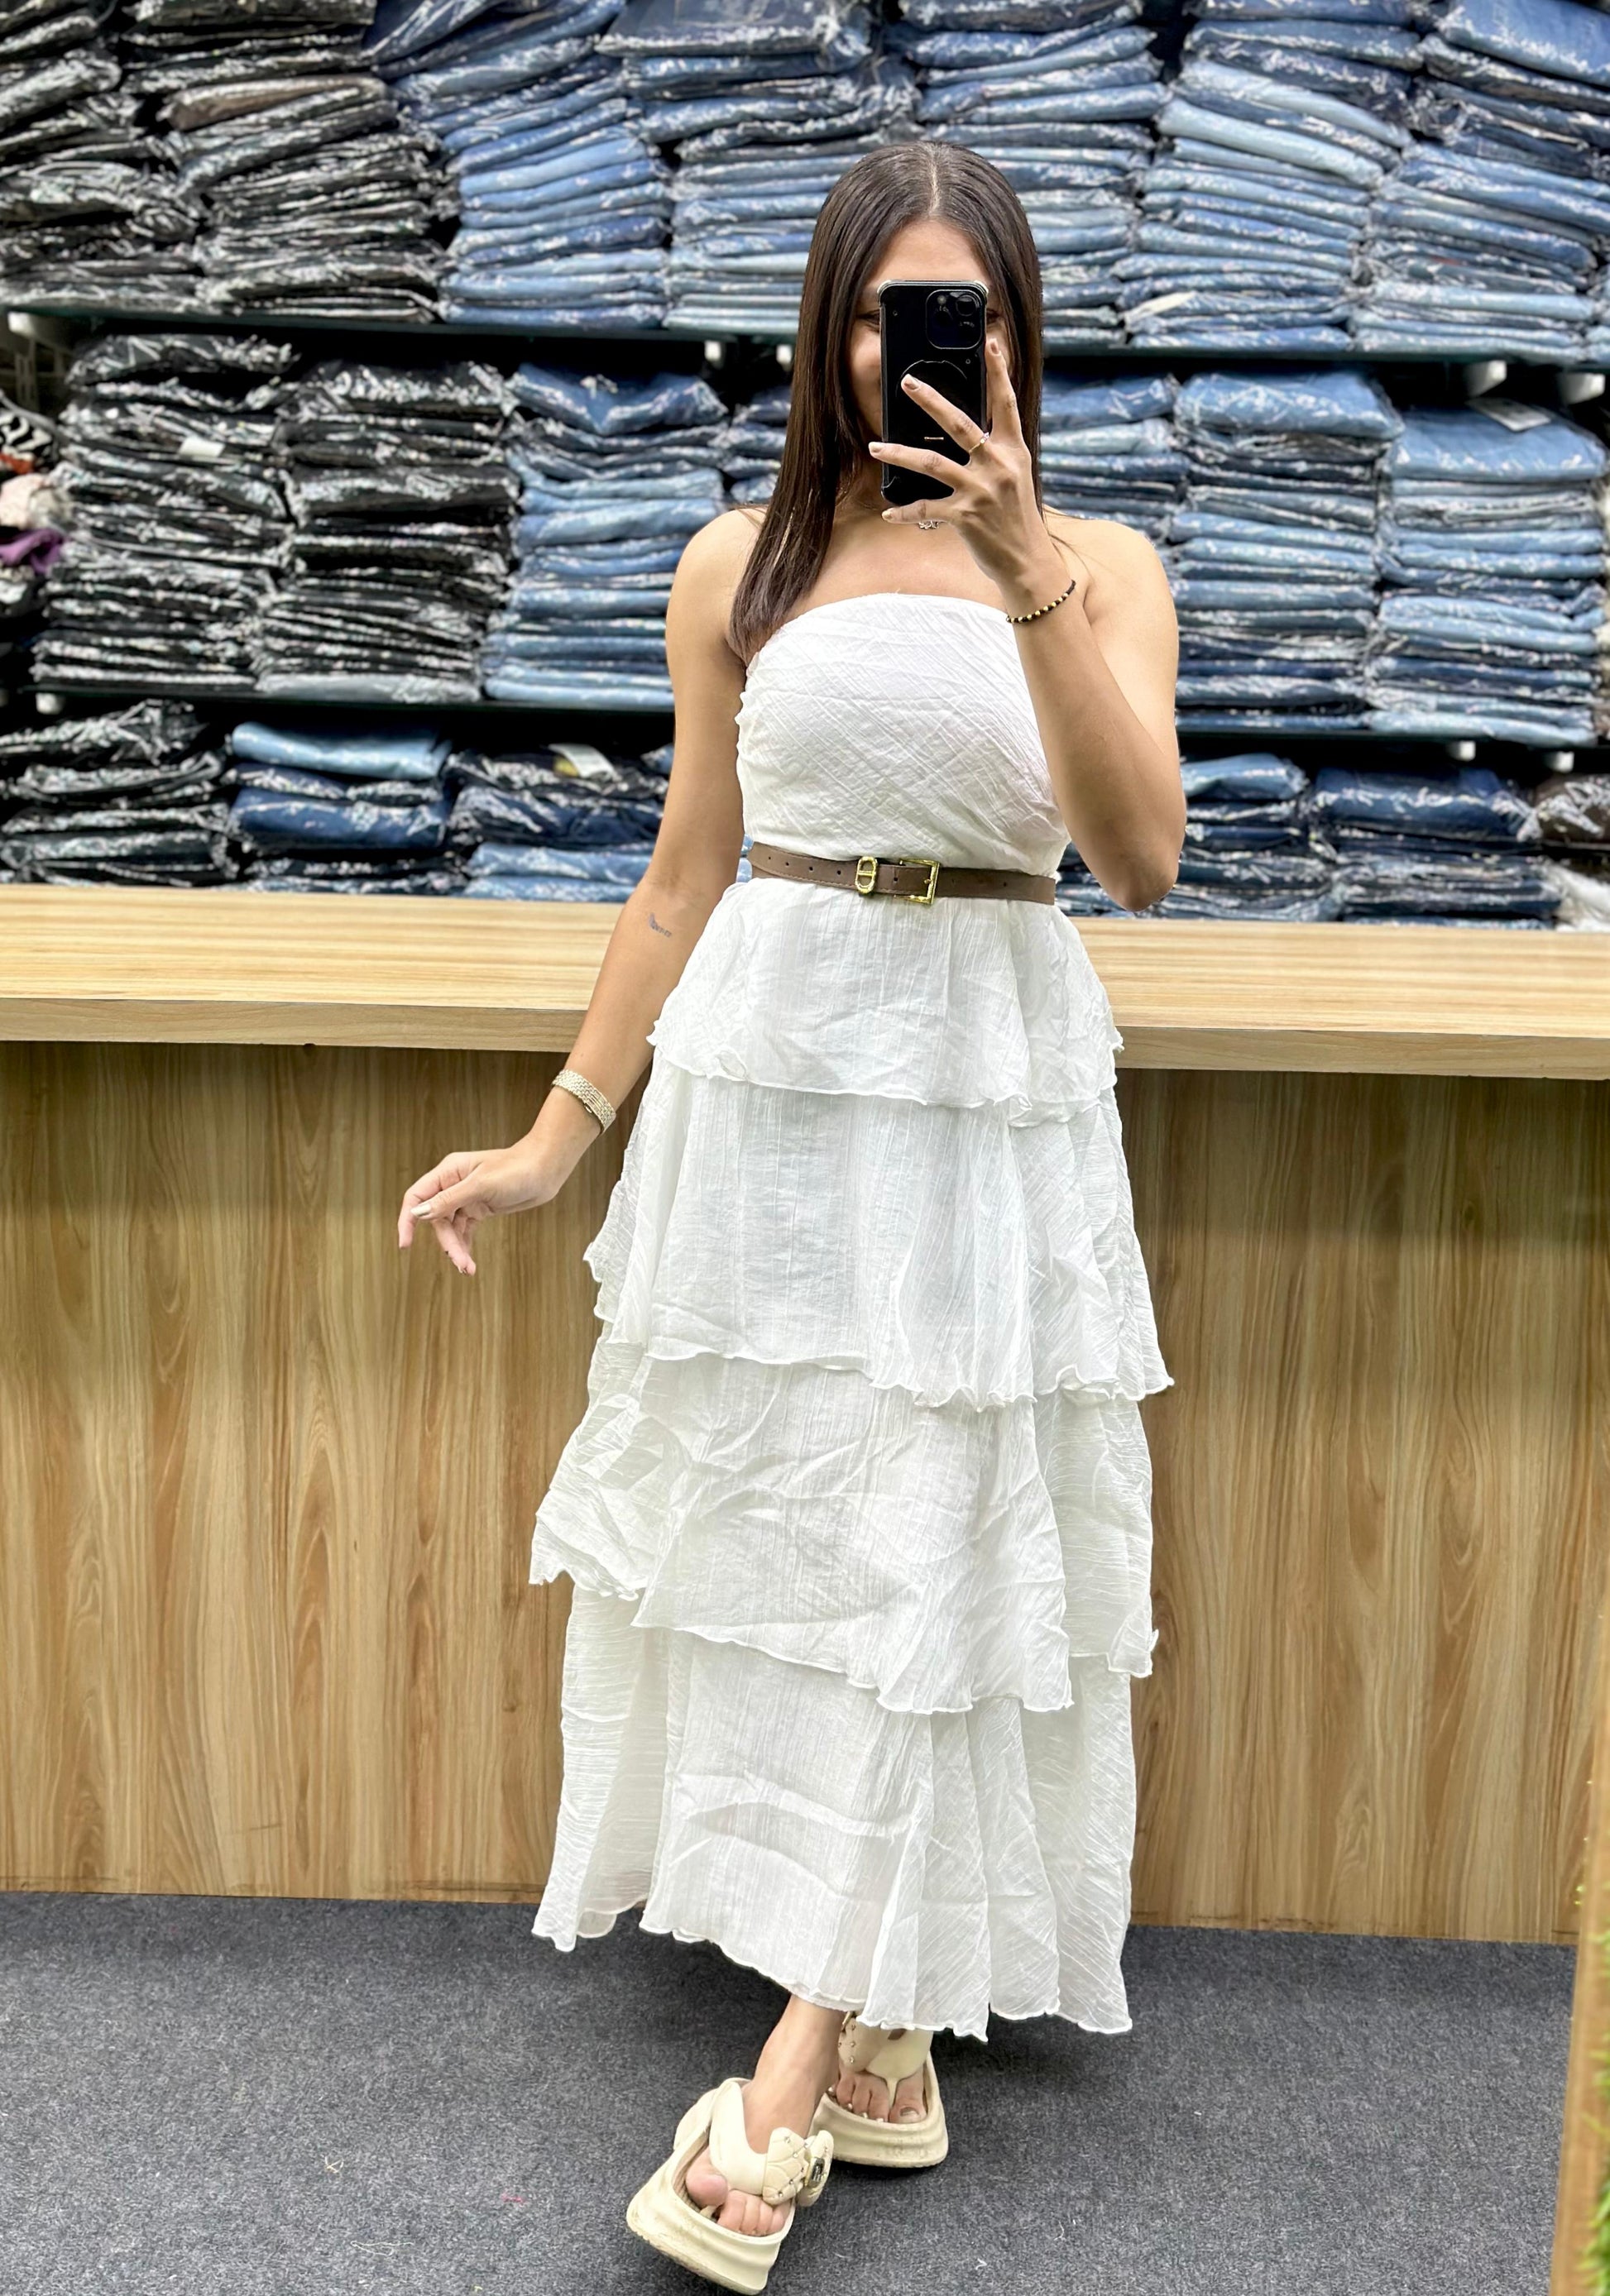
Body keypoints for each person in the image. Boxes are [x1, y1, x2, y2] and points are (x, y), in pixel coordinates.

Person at [398, 139, 1182, 2294]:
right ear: (826, 331)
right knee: (814, 1547)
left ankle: (788, 2070)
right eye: (881, 313)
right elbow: (684, 876)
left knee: (938, 1536)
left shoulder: (1101, 564)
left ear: (1015, 337)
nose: (913, 352)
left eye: (961, 314)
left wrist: (1021, 567)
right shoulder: (739, 562)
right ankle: (883, 2029)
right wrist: (553, 1141)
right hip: (774, 1092)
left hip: (982, 1087)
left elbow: (1136, 857)